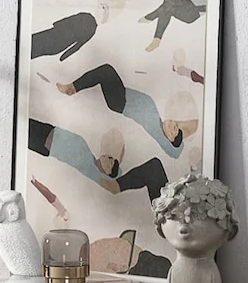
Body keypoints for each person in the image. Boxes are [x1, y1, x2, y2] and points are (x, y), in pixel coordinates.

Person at [57, 63, 197, 157]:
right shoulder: (158, 121)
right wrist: (178, 133)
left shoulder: (156, 130)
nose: (173, 123)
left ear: (168, 138)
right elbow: (175, 134)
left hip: (120, 101)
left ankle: (72, 88)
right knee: (105, 72)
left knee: (106, 70)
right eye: (175, 125)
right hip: (121, 95)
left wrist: (180, 141)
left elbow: (175, 152)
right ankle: (72, 88)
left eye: (172, 130)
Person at [28, 119, 168, 202]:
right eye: (112, 159)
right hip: (47, 131)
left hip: (43, 140)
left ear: (106, 173)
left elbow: (112, 186)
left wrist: (119, 171)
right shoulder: (90, 158)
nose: (109, 159)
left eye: (111, 163)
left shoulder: (92, 170)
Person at [141, 0, 207, 51]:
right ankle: (151, 17)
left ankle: (156, 38)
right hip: (190, 3)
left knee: (168, 7)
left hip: (194, 12)